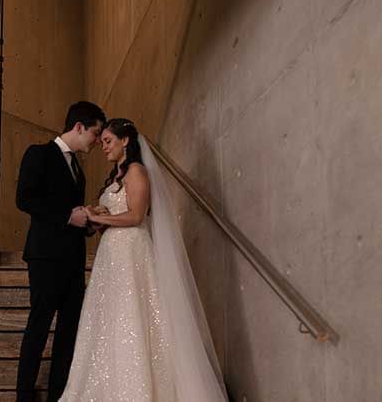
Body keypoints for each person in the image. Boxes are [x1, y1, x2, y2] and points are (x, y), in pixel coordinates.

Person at [59, 118, 228, 401]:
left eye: (108, 141)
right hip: (111, 254)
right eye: (101, 143)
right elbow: (117, 215)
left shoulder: (136, 171)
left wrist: (100, 216)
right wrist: (95, 215)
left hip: (131, 251)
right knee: (108, 319)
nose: (104, 147)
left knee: (133, 313)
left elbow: (137, 215)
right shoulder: (115, 176)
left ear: (126, 141)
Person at [15, 101, 106, 402]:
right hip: (45, 256)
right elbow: (24, 199)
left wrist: (89, 222)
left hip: (73, 259)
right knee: (39, 324)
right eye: (95, 133)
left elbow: (74, 215)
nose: (96, 140)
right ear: (79, 127)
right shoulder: (38, 154)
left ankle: (58, 394)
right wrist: (68, 215)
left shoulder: (78, 170)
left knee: (69, 330)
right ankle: (24, 395)